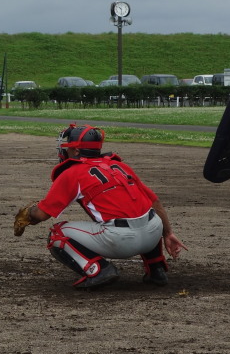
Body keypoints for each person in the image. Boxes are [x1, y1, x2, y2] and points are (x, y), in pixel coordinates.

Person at [12, 124, 185, 289]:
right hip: (154, 233)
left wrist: (28, 214)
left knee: (57, 234)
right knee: (145, 212)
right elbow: (155, 202)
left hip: (121, 241)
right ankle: (156, 269)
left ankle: (98, 270)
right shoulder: (119, 166)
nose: (65, 150)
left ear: (77, 150)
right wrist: (168, 233)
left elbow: (42, 214)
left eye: (68, 146)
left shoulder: (72, 173)